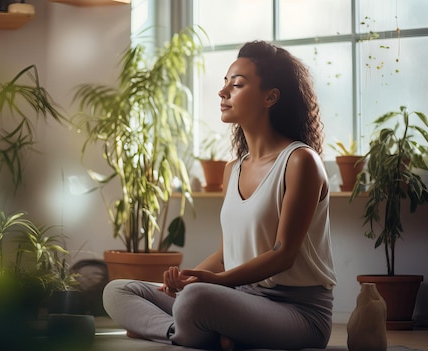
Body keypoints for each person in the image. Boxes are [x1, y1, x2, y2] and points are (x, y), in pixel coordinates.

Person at [102, 40, 336, 350]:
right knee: (118, 290)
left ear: (271, 97)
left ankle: (187, 329)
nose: (222, 92)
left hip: (298, 313)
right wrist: (186, 279)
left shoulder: (300, 161)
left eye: (237, 85)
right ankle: (190, 331)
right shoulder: (233, 169)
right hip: (238, 298)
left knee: (197, 299)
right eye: (225, 82)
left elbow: (283, 254)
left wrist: (210, 284)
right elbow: (226, 256)